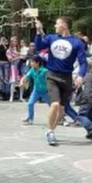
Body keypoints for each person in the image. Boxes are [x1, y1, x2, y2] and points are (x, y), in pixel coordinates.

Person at [35, 17, 87, 145]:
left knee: (61, 110)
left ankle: (52, 130)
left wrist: (81, 75)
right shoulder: (52, 38)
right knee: (55, 104)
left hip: (67, 77)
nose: (55, 26)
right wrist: (38, 32)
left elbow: (83, 61)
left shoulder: (77, 42)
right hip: (52, 75)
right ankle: (49, 131)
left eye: (57, 24)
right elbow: (38, 46)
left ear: (64, 25)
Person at [20, 56, 50, 125]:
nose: (31, 63)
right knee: (30, 103)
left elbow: (49, 80)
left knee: (52, 105)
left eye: (32, 62)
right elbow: (25, 77)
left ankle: (60, 118)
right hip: (36, 91)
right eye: (31, 62)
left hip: (45, 91)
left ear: (37, 63)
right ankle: (30, 119)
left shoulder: (45, 71)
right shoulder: (32, 70)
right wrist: (22, 82)